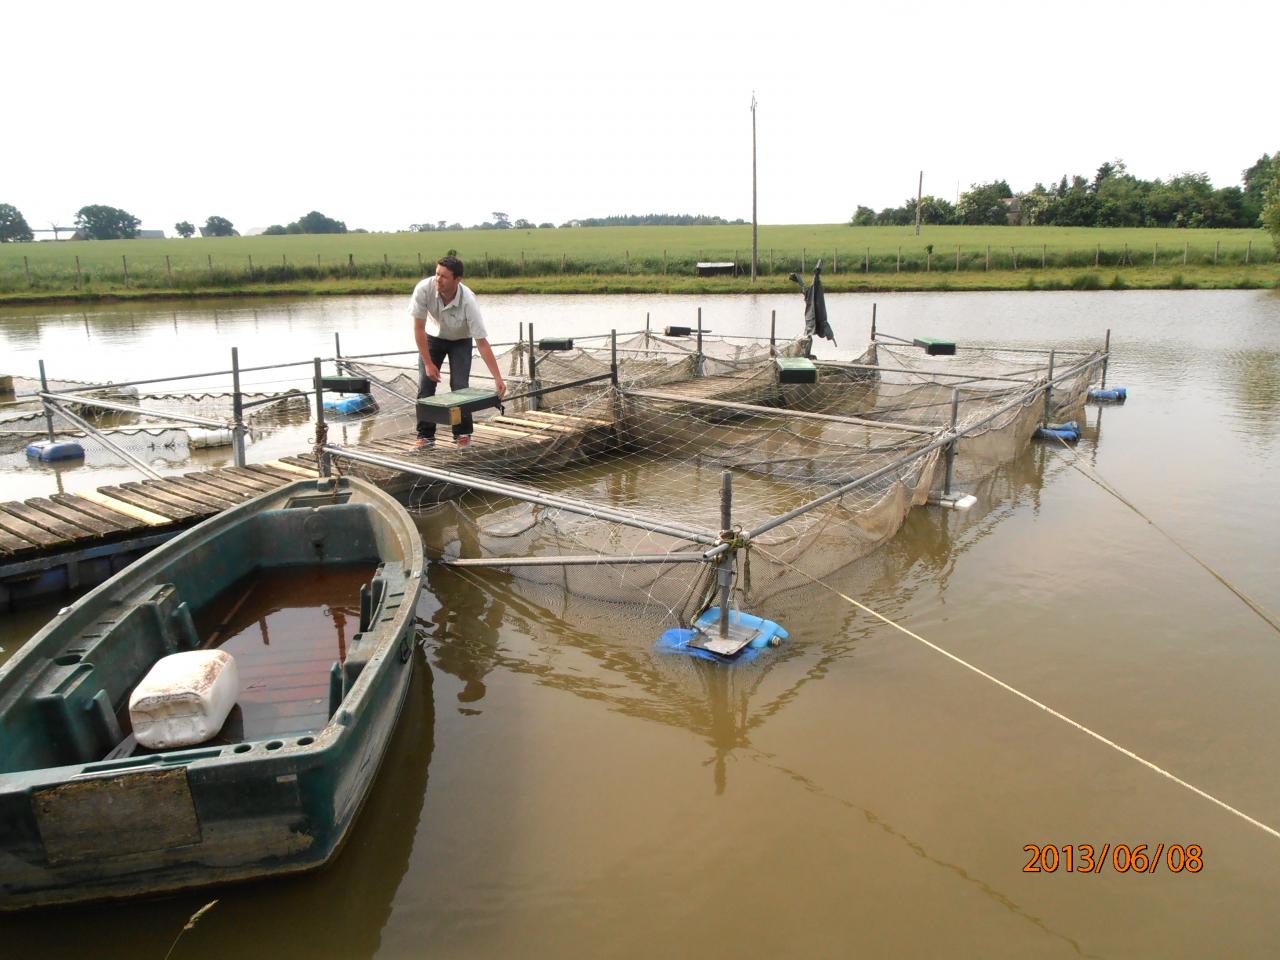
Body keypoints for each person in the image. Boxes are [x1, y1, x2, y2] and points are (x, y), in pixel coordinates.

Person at [409, 255, 506, 448]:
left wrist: (498, 378)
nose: (438, 279)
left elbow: (482, 342)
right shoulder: (423, 289)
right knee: (426, 386)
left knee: (460, 386)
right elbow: (418, 328)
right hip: (433, 338)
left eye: (444, 276)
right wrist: (428, 363)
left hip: (461, 340)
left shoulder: (469, 301)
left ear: (457, 279)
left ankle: (462, 434)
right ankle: (425, 437)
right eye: (437, 274)